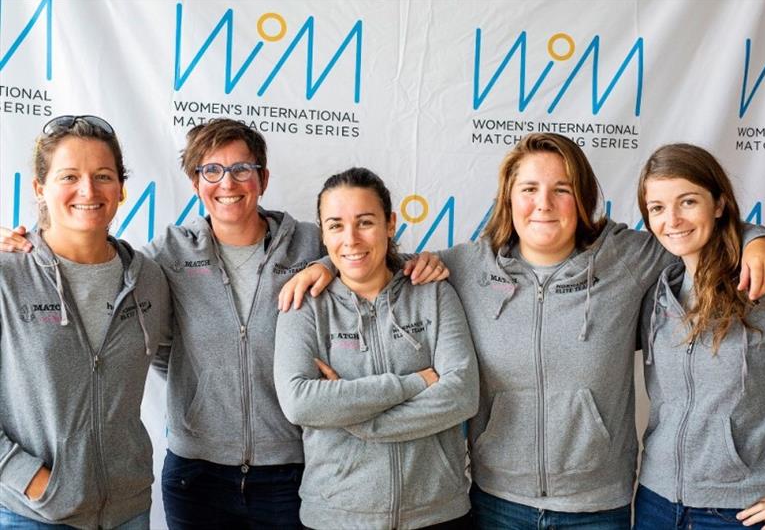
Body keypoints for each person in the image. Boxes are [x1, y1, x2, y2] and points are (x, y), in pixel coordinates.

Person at [279, 133, 765, 529]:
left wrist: (760, 238)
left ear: (582, 199)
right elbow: (371, 260)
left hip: (598, 506)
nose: (543, 203)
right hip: (496, 502)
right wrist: (324, 265)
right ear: (509, 198)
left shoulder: (628, 258)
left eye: (561, 189)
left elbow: (690, 234)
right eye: (529, 189)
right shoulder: (467, 268)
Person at [0, 117, 446, 528]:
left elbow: (363, 256)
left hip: (294, 469)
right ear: (196, 182)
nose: (227, 183)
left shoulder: (313, 244)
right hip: (197, 476)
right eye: (211, 171)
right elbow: (154, 347)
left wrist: (338, 264)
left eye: (242, 169)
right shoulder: (165, 259)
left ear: (263, 179)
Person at [273, 167, 479, 529]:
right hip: (337, 516)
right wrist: (413, 384)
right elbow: (300, 402)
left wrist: (357, 418)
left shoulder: (432, 291)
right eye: (335, 225)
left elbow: (461, 393)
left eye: (365, 222)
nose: (350, 239)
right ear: (323, 233)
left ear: (390, 224)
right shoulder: (305, 304)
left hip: (438, 513)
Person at [0, 115, 170, 529]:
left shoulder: (148, 278)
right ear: (40, 188)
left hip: (128, 511)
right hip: (33, 513)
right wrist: (31, 481)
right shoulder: (8, 276)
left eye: (103, 176)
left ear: (120, 187)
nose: (88, 191)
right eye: (69, 176)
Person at [634, 143, 765, 530]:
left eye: (688, 202)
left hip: (740, 513)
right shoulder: (659, 291)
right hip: (655, 503)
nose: (672, 220)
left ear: (719, 204)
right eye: (657, 208)